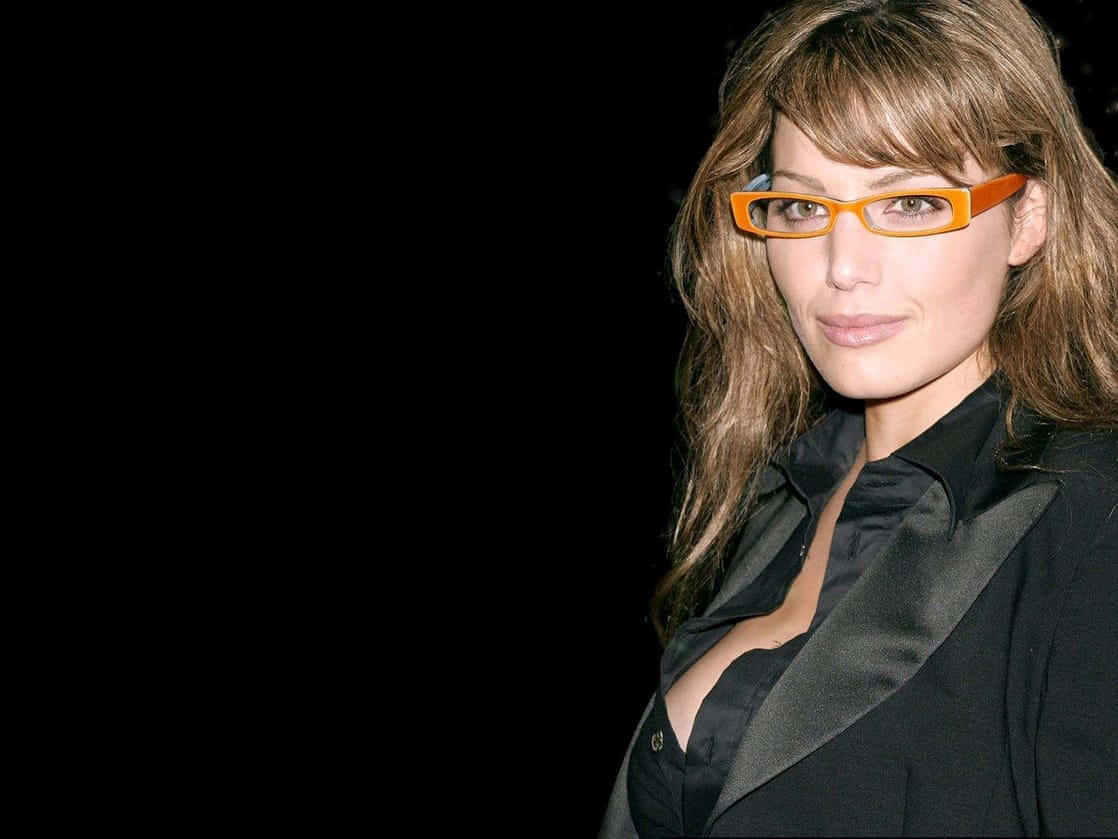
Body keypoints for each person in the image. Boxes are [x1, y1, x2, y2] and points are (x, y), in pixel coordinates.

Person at [599, 0, 1118, 836]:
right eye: (802, 207)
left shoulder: (1092, 523)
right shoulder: (781, 495)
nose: (841, 266)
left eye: (909, 203)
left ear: (1027, 217)